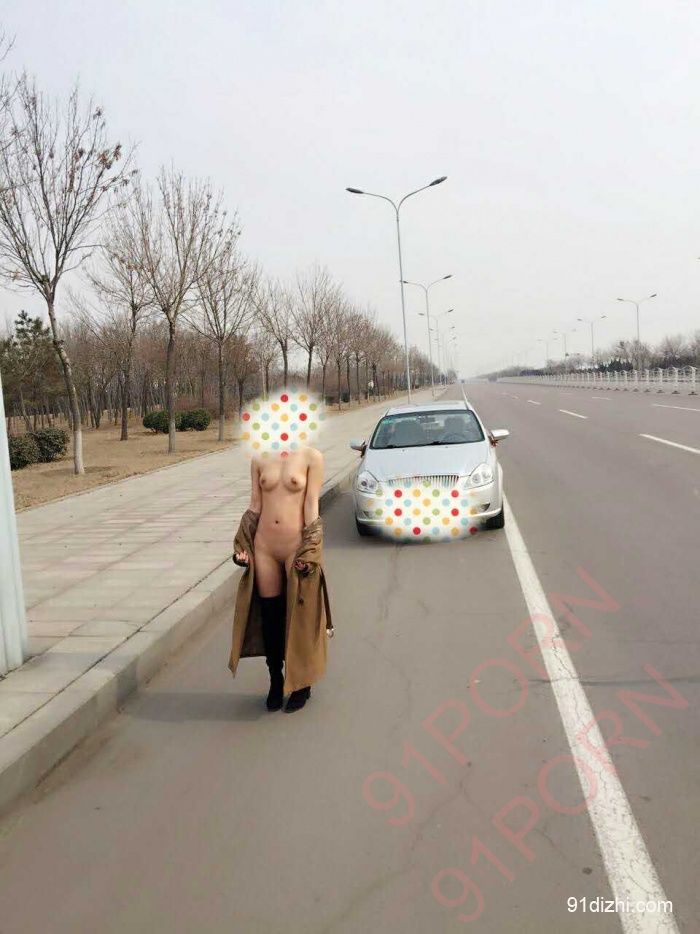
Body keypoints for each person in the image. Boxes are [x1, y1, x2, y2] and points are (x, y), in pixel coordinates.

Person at [228, 446, 333, 713]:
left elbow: (311, 506)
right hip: (265, 547)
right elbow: (255, 505)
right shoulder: (259, 458)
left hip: (295, 547)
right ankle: (276, 679)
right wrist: (242, 544)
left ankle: (302, 684)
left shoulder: (312, 457)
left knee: (299, 616)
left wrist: (311, 550)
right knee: (271, 616)